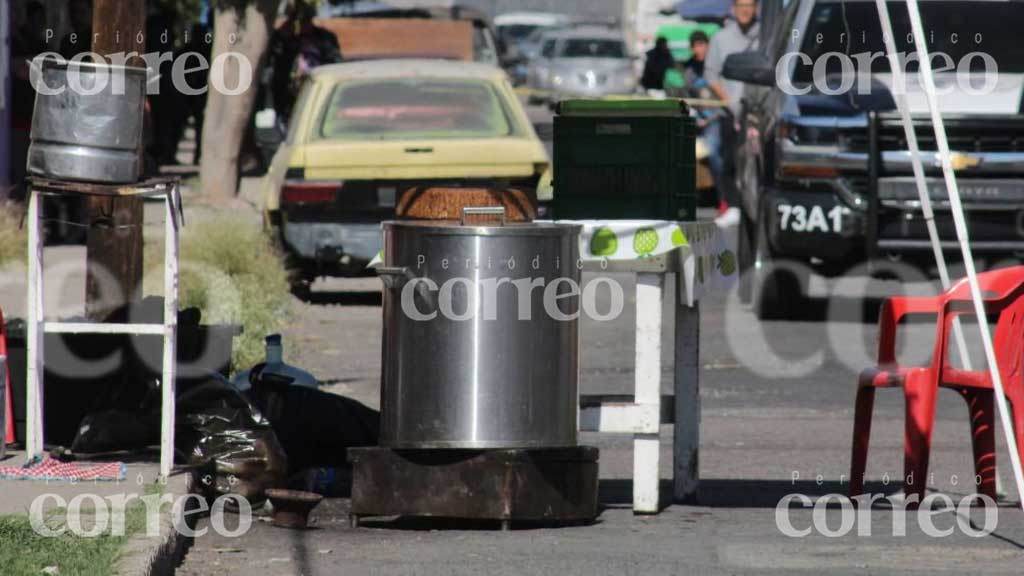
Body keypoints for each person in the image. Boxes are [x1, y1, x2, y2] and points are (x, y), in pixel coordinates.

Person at [704, 0, 760, 227]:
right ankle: (732, 205)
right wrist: (728, 101)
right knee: (730, 160)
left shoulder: (766, 37)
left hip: (758, 112)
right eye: (741, 5)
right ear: (733, 8)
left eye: (750, 5)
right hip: (730, 112)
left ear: (756, 8)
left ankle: (755, 204)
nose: (745, 10)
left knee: (757, 162)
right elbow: (711, 75)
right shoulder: (721, 38)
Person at [268, 0, 343, 121]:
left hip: (316, 89)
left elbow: (336, 62)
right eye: (296, 20)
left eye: (304, 20)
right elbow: (274, 62)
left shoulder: (324, 38)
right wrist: (284, 36)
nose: (301, 25)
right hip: (287, 94)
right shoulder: (281, 40)